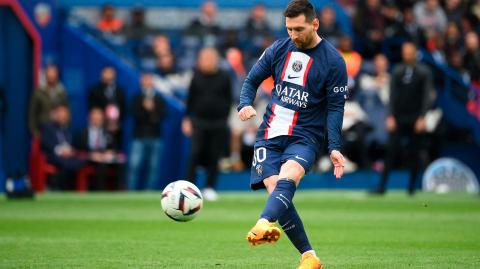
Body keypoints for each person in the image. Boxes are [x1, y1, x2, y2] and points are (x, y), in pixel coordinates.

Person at [237, 1, 347, 268]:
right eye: (289, 29)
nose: (293, 35)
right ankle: (309, 257)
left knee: (289, 177)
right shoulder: (278, 48)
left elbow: (335, 108)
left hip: (305, 135)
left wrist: (333, 146)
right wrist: (245, 103)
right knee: (276, 190)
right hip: (270, 132)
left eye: (299, 29)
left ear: (315, 24)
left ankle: (264, 222)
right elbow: (252, 80)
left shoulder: (334, 62)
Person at [371, 42, 433, 196]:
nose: (406, 54)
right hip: (399, 117)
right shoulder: (398, 71)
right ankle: (382, 187)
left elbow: (426, 96)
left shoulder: (424, 72)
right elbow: (392, 96)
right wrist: (390, 116)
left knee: (415, 152)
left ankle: (412, 188)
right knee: (390, 152)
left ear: (415, 53)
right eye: (404, 52)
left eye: (409, 52)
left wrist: (422, 117)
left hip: (415, 117)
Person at [182, 47, 232, 201]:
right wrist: (186, 119)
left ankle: (210, 187)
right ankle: (189, 188)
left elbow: (229, 99)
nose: (208, 61)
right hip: (199, 122)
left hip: (218, 123)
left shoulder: (225, 77)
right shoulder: (195, 77)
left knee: (214, 156)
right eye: (205, 58)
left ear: (217, 60)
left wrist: (225, 119)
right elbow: (190, 100)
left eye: (211, 58)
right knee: (194, 154)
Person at [127, 73, 167, 190]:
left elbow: (162, 116)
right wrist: (146, 111)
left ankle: (148, 192)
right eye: (145, 80)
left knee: (153, 167)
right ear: (141, 81)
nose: (147, 82)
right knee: (134, 166)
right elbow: (135, 115)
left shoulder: (159, 99)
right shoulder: (136, 98)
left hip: (156, 136)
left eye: (149, 79)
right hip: (139, 136)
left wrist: (151, 110)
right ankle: (130, 192)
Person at [41, 104, 85, 190]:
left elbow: (72, 145)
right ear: (55, 115)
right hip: (53, 155)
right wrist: (60, 151)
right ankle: (56, 187)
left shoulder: (68, 129)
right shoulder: (48, 128)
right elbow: (46, 144)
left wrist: (70, 151)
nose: (62, 117)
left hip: (68, 156)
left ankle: (70, 187)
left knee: (79, 161)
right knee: (65, 163)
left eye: (65, 115)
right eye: (60, 114)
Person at [79, 108, 123, 190]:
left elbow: (114, 147)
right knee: (101, 166)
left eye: (98, 118)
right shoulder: (84, 133)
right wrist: (91, 155)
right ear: (90, 119)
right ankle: (100, 191)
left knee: (119, 165)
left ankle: (118, 192)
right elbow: (80, 148)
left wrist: (110, 152)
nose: (96, 120)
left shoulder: (108, 132)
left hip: (105, 157)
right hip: (91, 158)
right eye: (94, 118)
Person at [88, 66, 126, 148]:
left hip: (116, 129)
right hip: (100, 128)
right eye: (106, 72)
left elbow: (123, 108)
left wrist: (117, 123)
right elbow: (93, 108)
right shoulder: (95, 90)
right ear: (102, 74)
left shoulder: (120, 90)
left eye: (110, 72)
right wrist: (102, 121)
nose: (108, 75)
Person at [29, 64, 69, 136]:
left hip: (59, 131)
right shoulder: (38, 92)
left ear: (57, 75)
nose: (51, 76)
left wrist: (66, 128)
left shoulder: (62, 92)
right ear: (45, 75)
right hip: (42, 130)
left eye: (53, 73)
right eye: (49, 73)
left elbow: (67, 111)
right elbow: (32, 114)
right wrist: (34, 132)